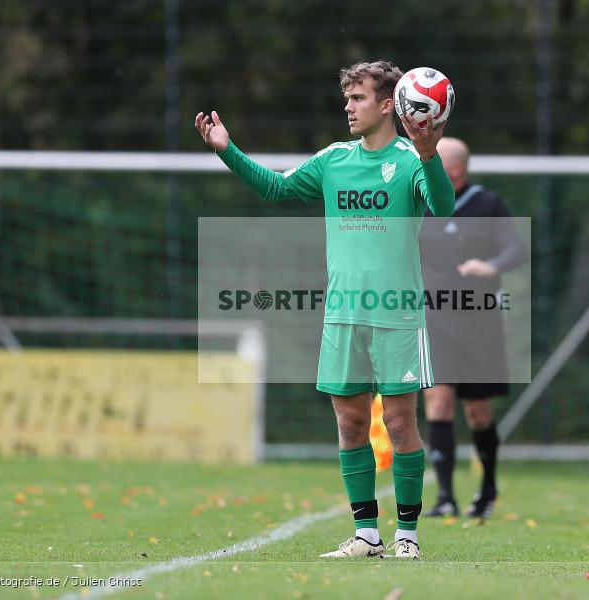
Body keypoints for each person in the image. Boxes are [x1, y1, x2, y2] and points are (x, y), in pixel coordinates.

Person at [195, 60, 455, 559]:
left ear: (388, 104)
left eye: (358, 98)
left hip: (397, 313)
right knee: (351, 424)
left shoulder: (410, 159)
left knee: (400, 427)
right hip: (342, 315)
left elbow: (444, 211)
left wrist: (429, 154)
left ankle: (407, 537)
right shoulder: (334, 159)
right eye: (346, 99)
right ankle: (366, 535)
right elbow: (277, 187)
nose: (349, 107)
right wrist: (226, 150)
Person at [418, 137, 526, 519]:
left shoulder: (487, 204)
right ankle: (444, 496)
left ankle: (487, 490)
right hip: (435, 320)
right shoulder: (420, 202)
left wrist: (491, 265)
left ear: (457, 169)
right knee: (439, 400)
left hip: (480, 321)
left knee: (478, 411)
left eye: (433, 160)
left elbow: (515, 249)